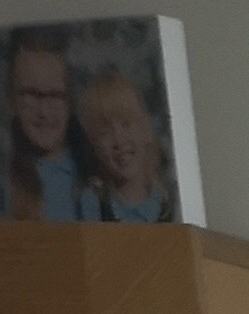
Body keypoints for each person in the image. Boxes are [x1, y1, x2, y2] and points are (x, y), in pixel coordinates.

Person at [74, 66, 174, 221]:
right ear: (94, 147)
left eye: (126, 124)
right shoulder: (92, 203)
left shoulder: (167, 204)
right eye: (104, 132)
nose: (119, 140)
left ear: (146, 129)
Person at [4, 33, 82, 221]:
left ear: (70, 101)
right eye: (30, 94)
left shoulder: (95, 175)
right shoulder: (5, 182)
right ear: (12, 99)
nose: (43, 112)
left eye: (54, 95)